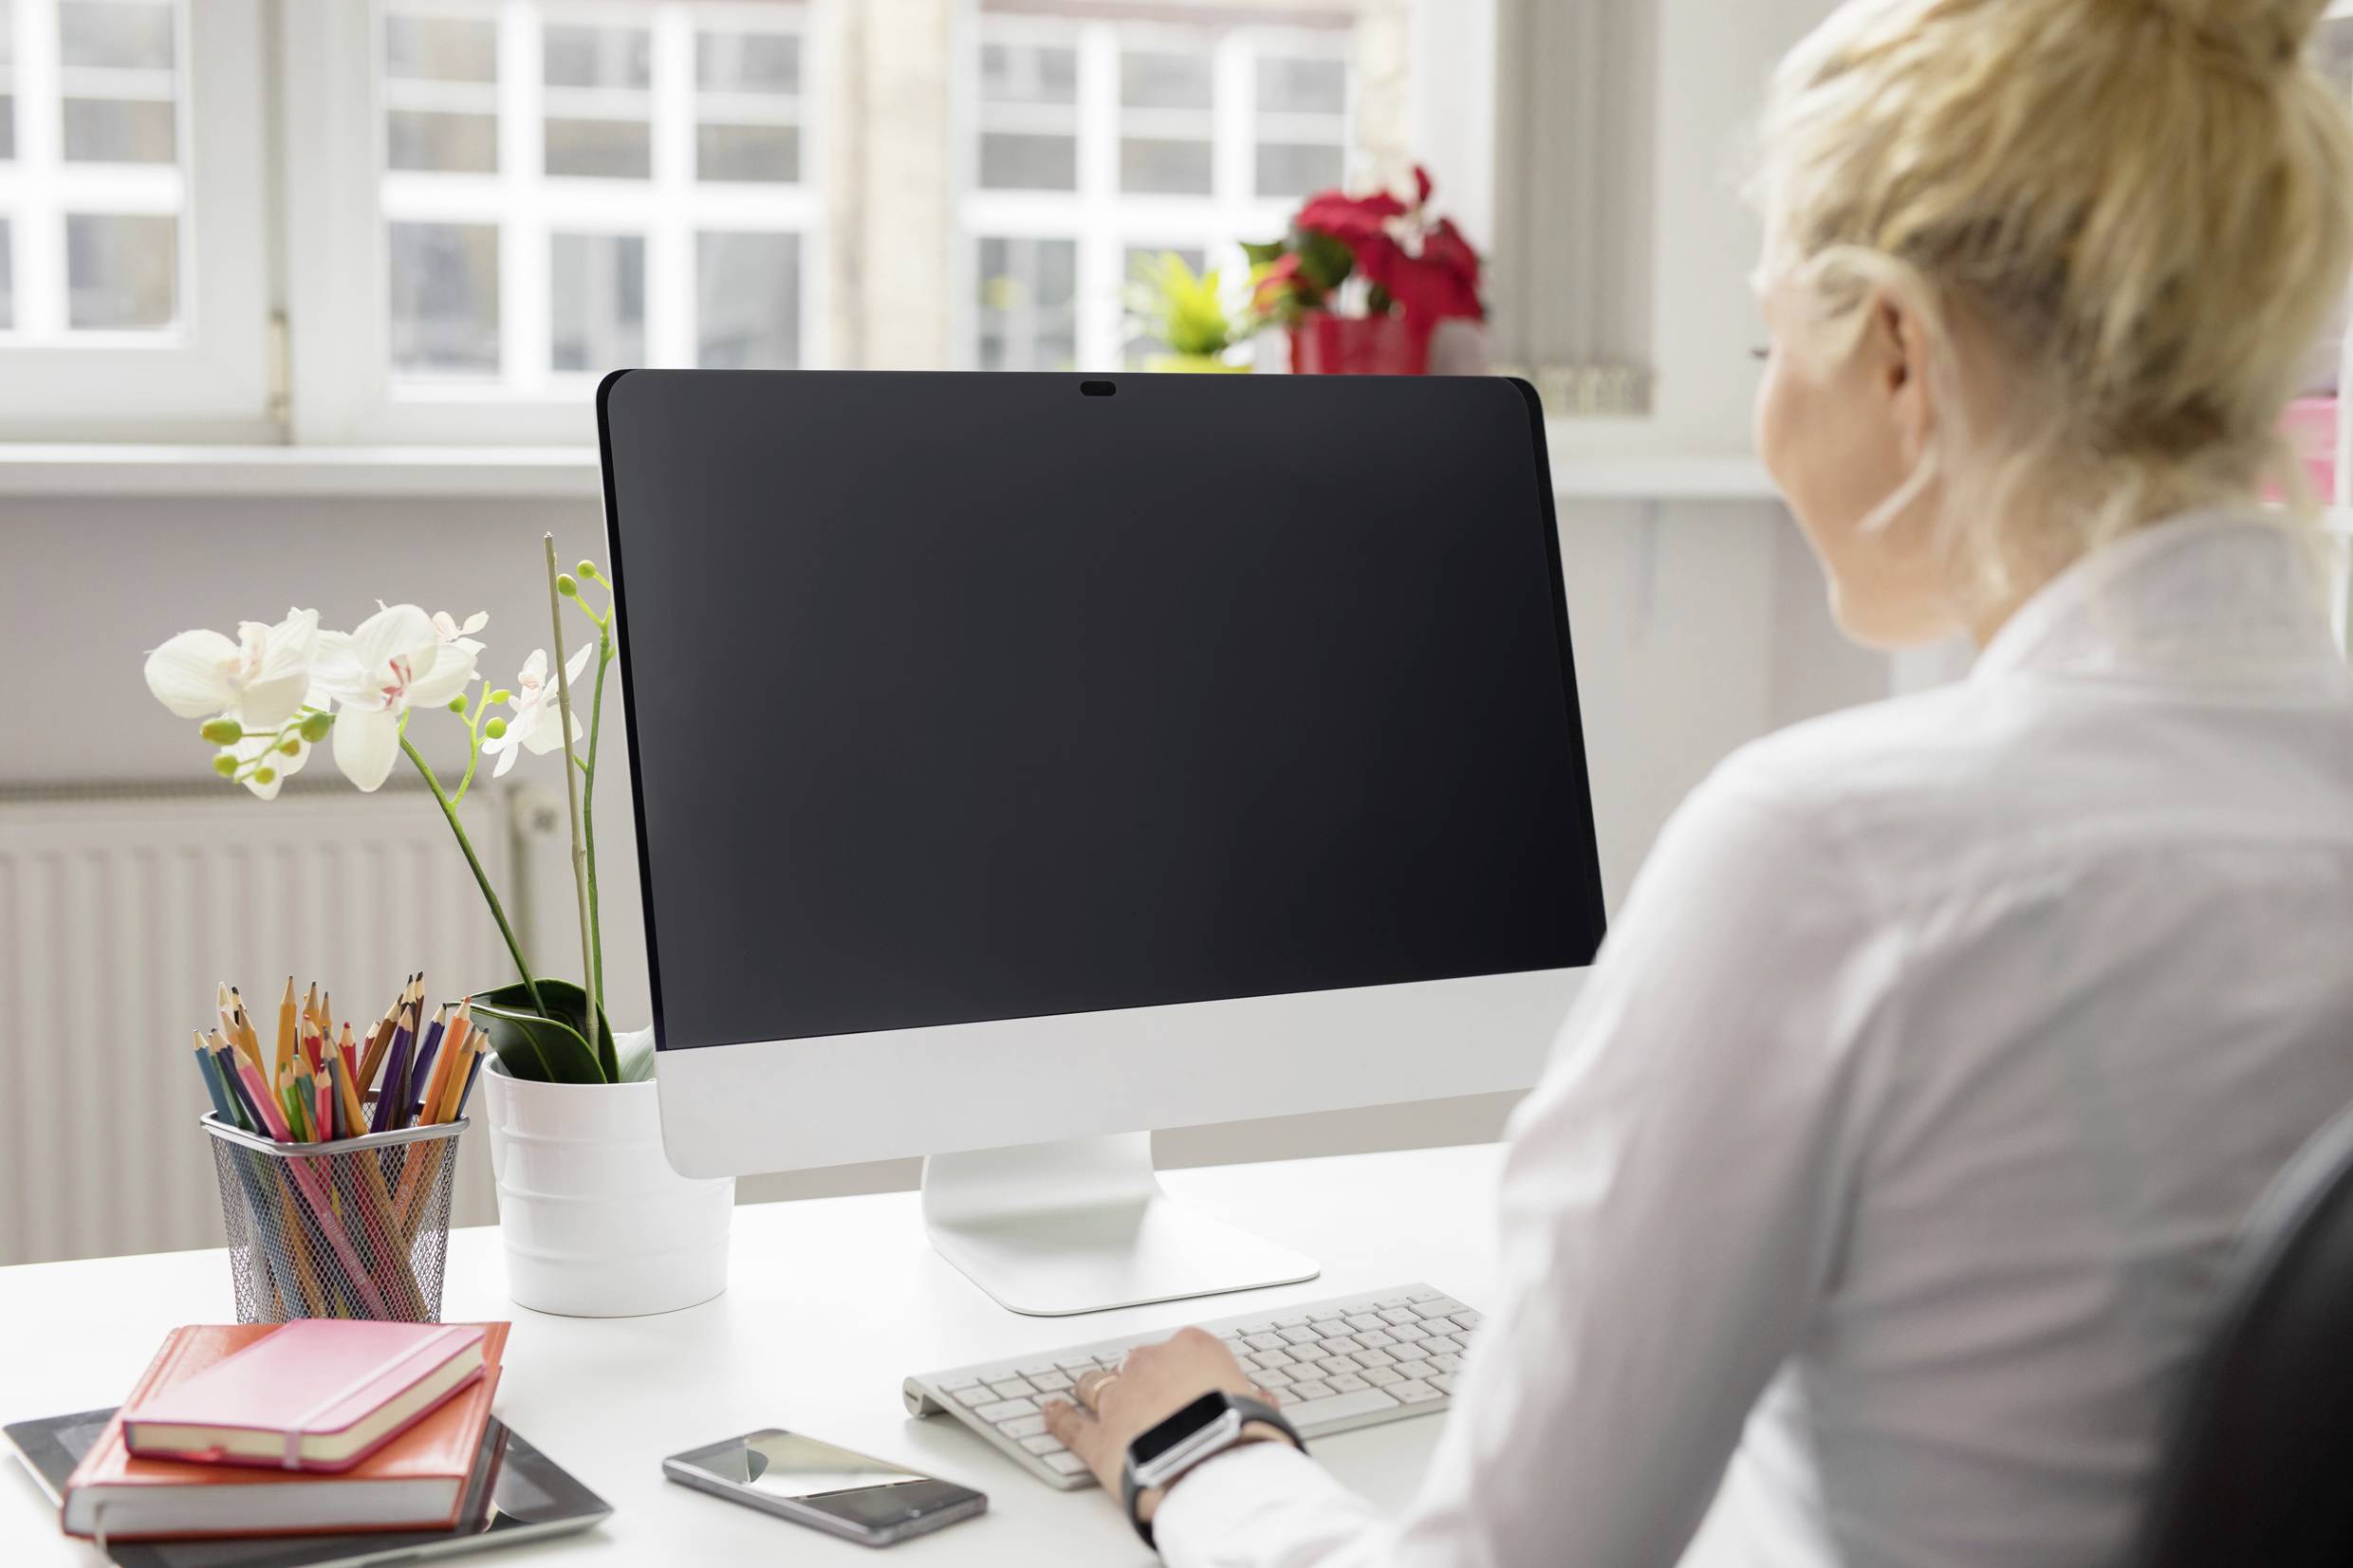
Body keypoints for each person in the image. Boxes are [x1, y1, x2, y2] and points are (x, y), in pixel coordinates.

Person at [1039, 1, 2353, 1562]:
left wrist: (1204, 1450)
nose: (1770, 413)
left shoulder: (1837, 858)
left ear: (1897, 353)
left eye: (1769, 344)